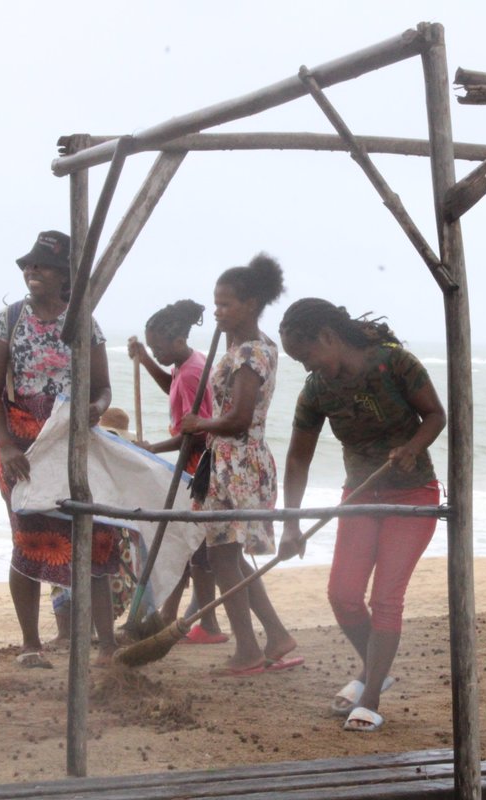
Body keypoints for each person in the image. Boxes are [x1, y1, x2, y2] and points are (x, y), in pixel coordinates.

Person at [278, 298, 446, 733]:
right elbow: (298, 459)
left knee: (385, 598)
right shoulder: (316, 390)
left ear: (329, 337)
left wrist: (413, 448)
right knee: (343, 594)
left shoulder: (394, 364)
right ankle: (375, 671)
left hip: (413, 495)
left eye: (307, 355)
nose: (307, 367)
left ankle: (370, 694)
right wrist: (291, 524)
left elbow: (436, 415)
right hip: (360, 495)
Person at [0, 230, 132, 667]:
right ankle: (31, 644)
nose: (31, 272)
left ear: (65, 275)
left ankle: (106, 645)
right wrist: (5, 445)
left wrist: (94, 411)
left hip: (74, 443)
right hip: (23, 446)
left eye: (41, 265)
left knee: (94, 537)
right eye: (28, 265)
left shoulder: (84, 322)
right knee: (29, 540)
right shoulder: (5, 321)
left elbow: (102, 389)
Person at [178, 254, 298, 674]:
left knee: (224, 558)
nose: (217, 312)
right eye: (216, 304)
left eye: (225, 304)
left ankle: (249, 648)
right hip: (230, 459)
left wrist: (199, 423)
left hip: (238, 461)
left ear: (250, 305)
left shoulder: (250, 353)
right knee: (227, 556)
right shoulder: (243, 347)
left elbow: (240, 418)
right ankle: (275, 635)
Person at [127, 299, 226, 644]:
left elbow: (197, 433)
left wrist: (153, 448)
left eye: (158, 348)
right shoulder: (187, 364)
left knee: (195, 547)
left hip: (198, 468)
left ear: (178, 341)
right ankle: (173, 615)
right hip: (192, 463)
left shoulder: (192, 372)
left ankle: (205, 624)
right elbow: (174, 387)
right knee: (192, 547)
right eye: (152, 347)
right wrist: (144, 357)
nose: (157, 353)